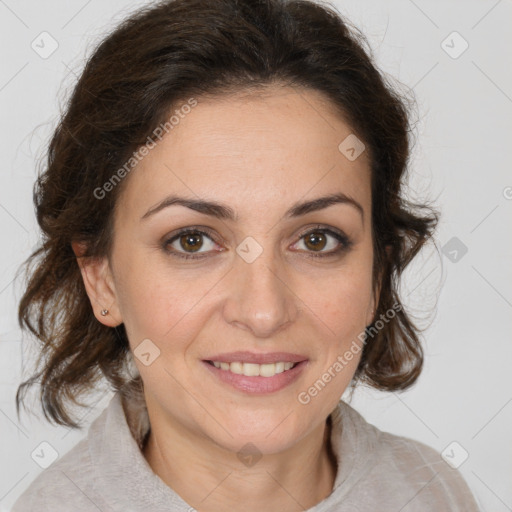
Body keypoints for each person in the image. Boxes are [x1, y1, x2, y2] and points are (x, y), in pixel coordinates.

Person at [12, 0, 481, 510]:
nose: (263, 312)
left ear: (377, 273)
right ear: (101, 279)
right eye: (192, 240)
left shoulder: (434, 493)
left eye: (317, 239)